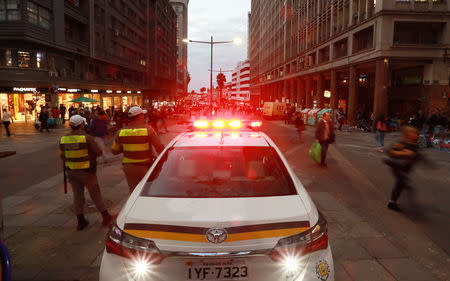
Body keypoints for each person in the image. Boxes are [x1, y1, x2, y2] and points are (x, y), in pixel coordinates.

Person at [59, 115, 113, 230]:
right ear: (82, 124)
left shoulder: (63, 139)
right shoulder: (86, 138)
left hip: (72, 172)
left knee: (78, 195)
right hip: (87, 172)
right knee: (95, 194)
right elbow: (98, 152)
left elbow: (61, 155)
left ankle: (81, 221)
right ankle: (106, 216)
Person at [112, 106, 165, 194]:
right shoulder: (148, 130)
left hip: (129, 168)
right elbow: (159, 148)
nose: (144, 117)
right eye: (143, 115)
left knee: (134, 193)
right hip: (145, 167)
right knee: (149, 191)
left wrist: (126, 146)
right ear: (140, 116)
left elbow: (114, 151)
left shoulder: (121, 132)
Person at [384, 126, 427, 212]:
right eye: (413, 133)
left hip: (405, 168)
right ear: (407, 134)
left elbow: (418, 156)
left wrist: (425, 162)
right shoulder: (402, 143)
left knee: (401, 184)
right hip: (398, 167)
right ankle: (392, 203)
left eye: (416, 134)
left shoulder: (415, 145)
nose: (415, 135)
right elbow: (389, 151)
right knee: (402, 184)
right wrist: (403, 153)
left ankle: (393, 202)